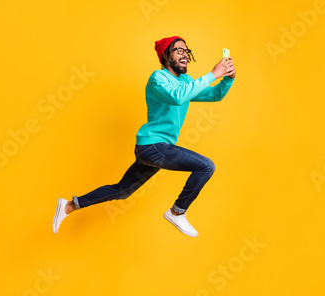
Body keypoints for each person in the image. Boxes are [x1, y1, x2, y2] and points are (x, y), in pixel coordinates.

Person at [53, 36, 236, 237]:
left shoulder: (186, 81)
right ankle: (177, 212)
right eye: (179, 50)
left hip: (156, 149)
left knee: (122, 191)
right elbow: (178, 97)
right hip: (153, 146)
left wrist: (227, 78)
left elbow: (213, 95)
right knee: (206, 166)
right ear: (166, 55)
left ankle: (69, 205)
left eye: (186, 51)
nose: (185, 55)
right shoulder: (158, 79)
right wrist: (212, 74)